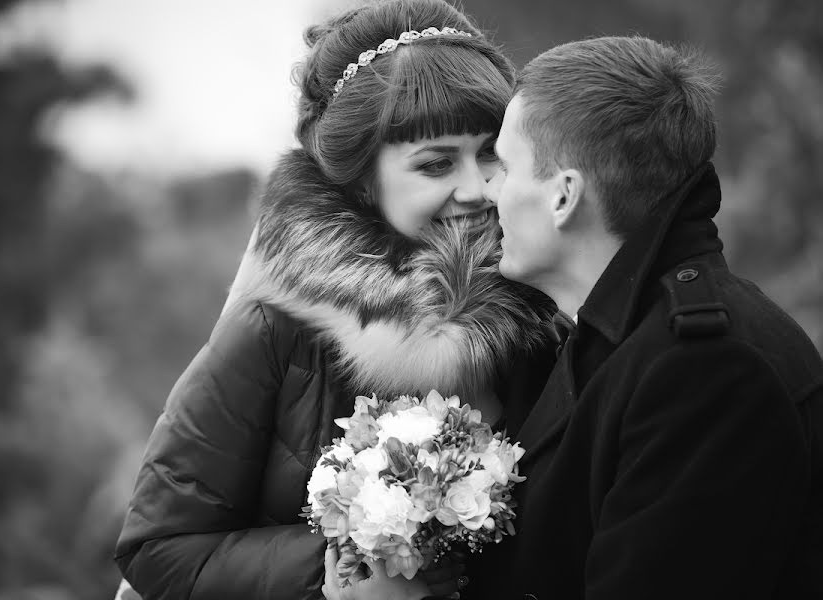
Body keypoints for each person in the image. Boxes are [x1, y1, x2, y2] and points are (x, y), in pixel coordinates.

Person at [325, 34, 823, 600]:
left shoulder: (706, 373)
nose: (486, 190)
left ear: (563, 197)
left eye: (503, 165)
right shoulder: (613, 336)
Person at [112, 1, 557, 599]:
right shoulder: (279, 325)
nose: (476, 189)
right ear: (363, 180)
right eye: (435, 163)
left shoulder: (550, 314)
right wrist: (338, 572)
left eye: (490, 154)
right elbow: (158, 548)